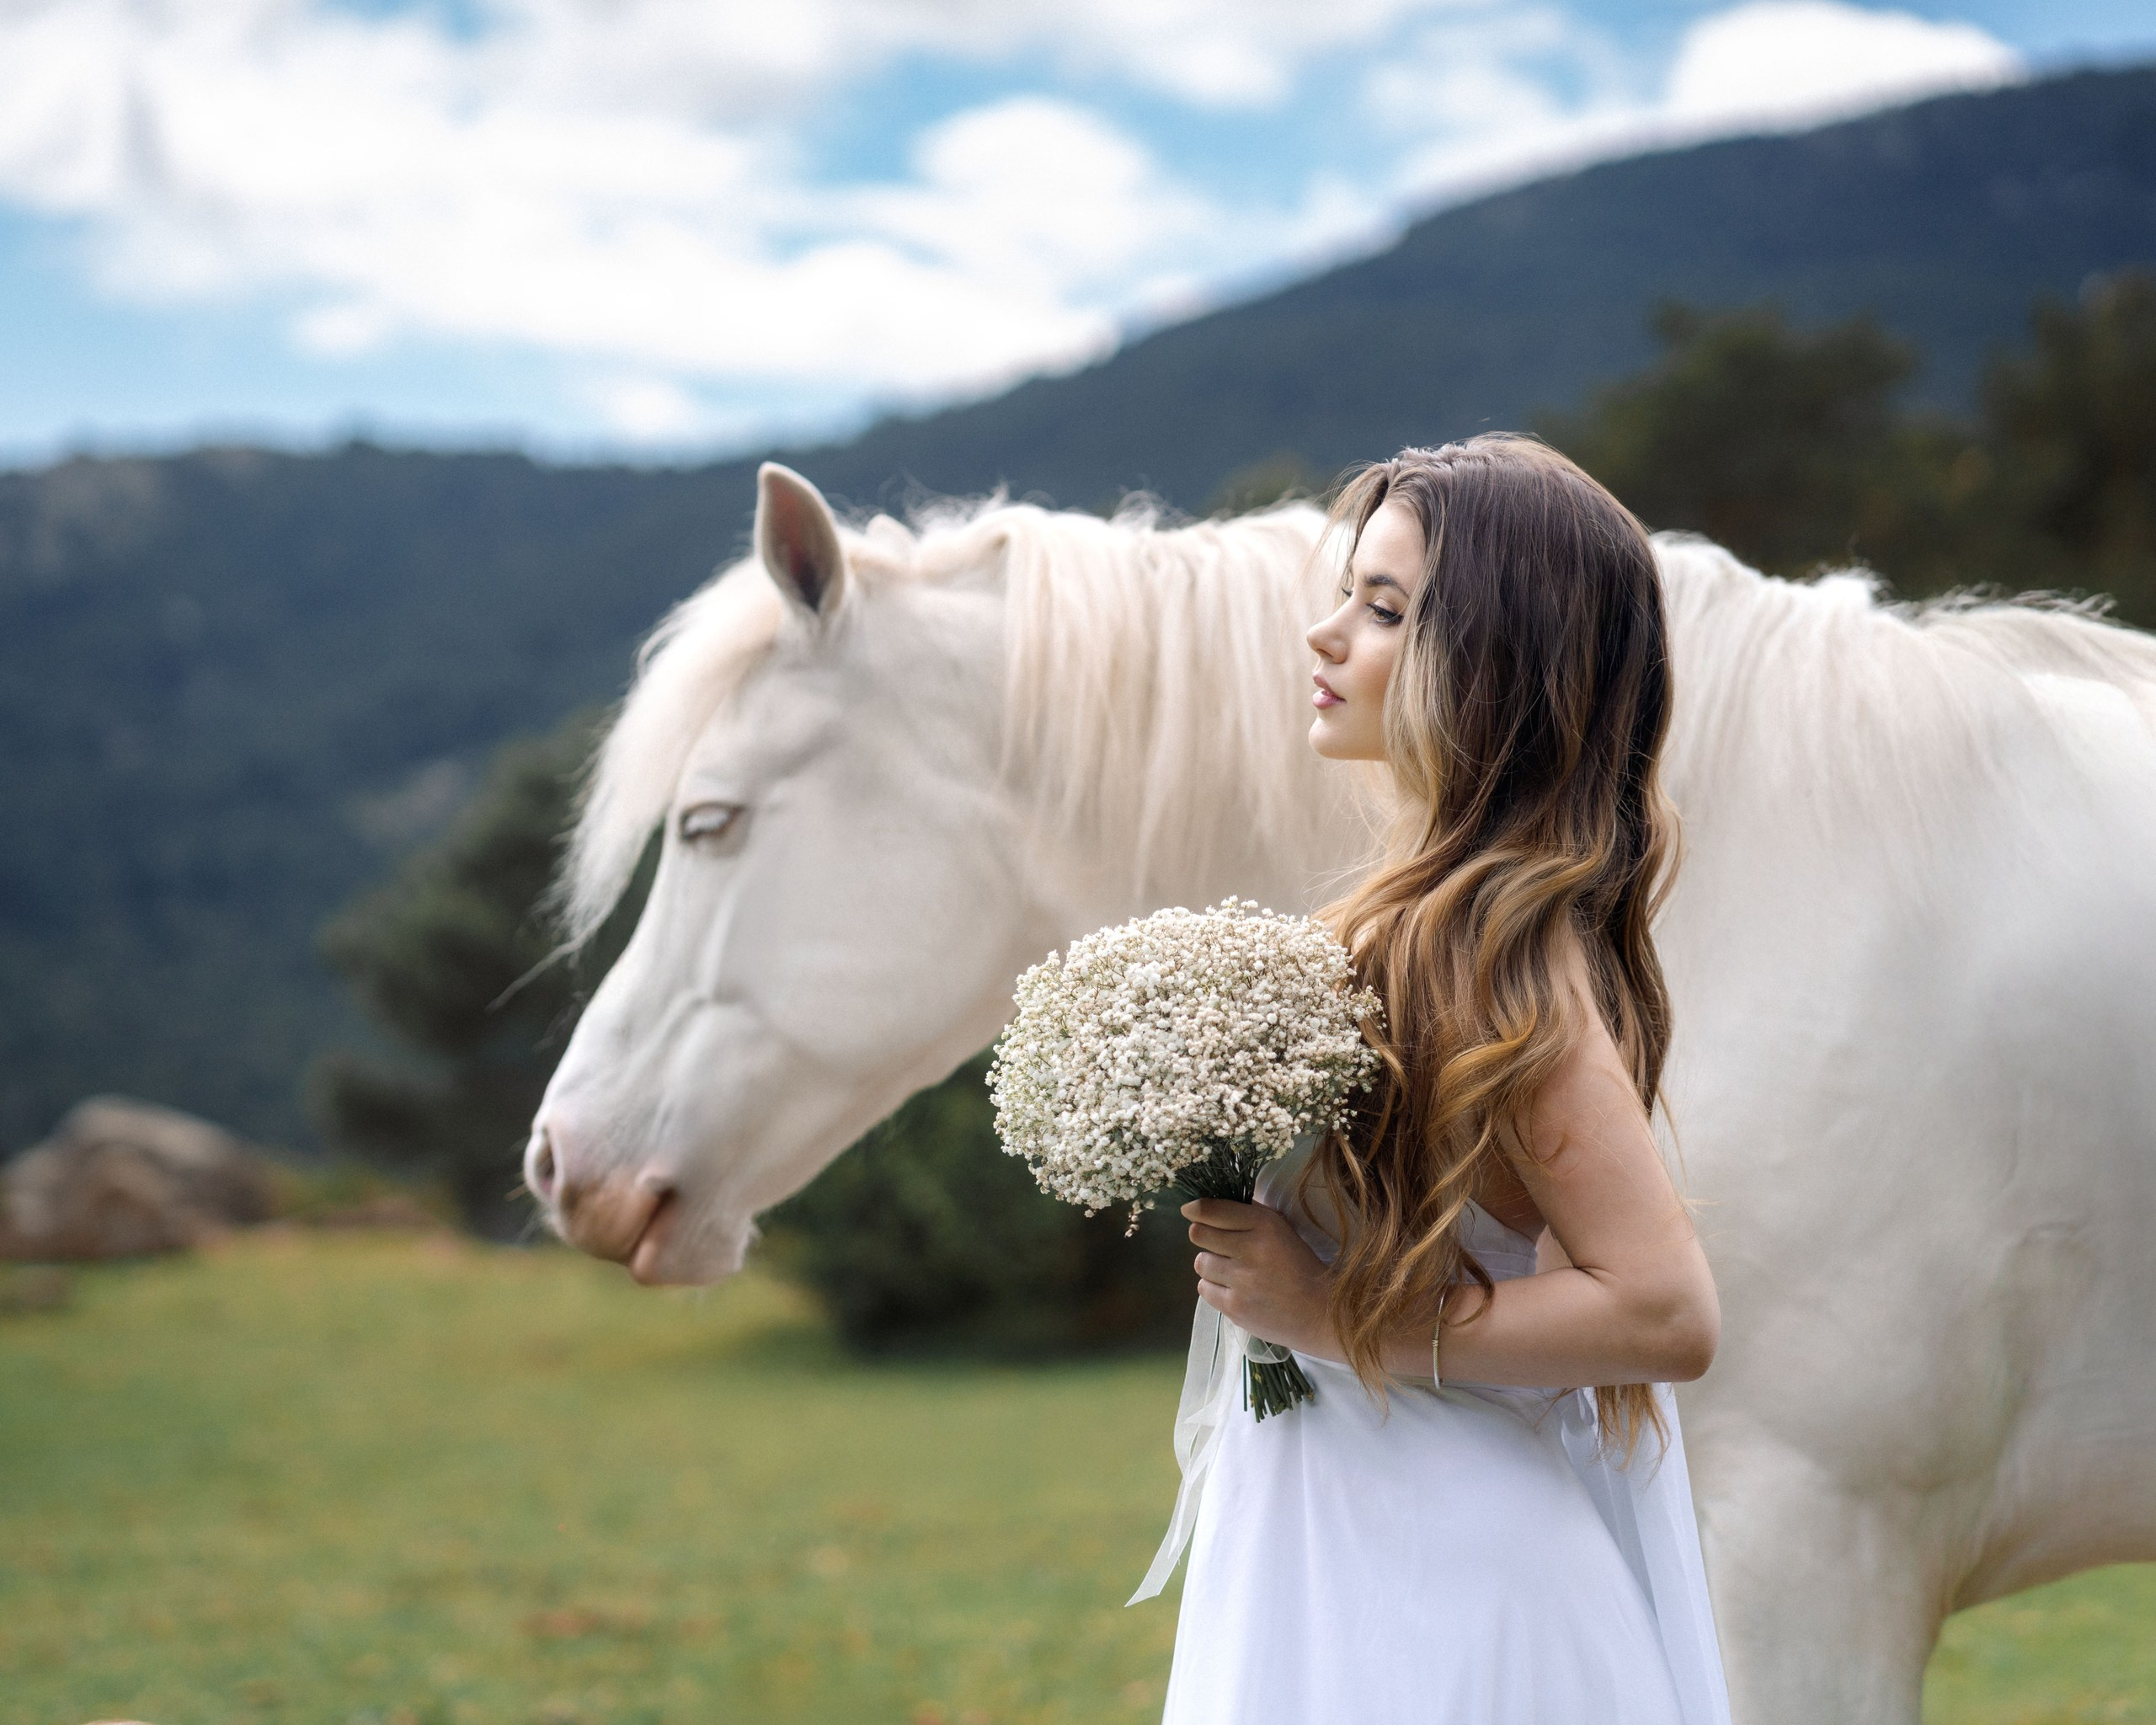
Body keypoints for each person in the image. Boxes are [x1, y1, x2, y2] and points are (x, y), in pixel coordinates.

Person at [1150, 435, 1733, 1724]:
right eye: (1348, 596)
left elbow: (1665, 1312)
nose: (1326, 634)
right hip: (1349, 1537)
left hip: (1437, 1589)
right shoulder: (1417, 929)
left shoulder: (1482, 959)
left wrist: (1330, 1313)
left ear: (1495, 669)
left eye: (1384, 610)